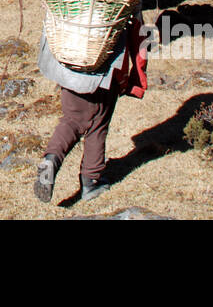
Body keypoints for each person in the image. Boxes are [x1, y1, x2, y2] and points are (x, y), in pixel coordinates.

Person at [33, 19, 148, 205]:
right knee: (98, 123)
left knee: (71, 119)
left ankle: (51, 160)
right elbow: (137, 31)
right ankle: (91, 181)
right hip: (105, 62)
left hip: (70, 57)